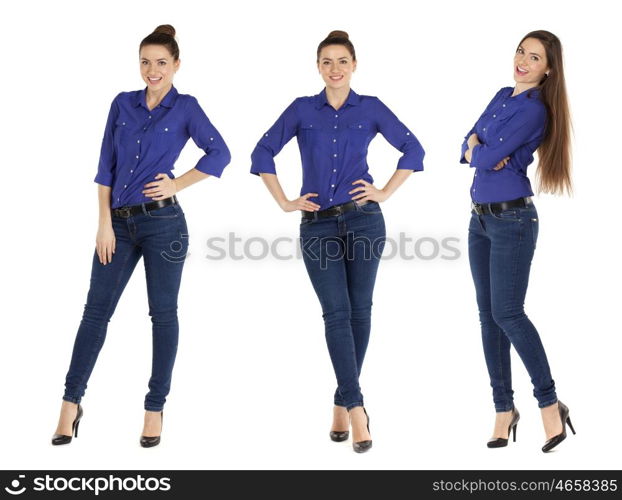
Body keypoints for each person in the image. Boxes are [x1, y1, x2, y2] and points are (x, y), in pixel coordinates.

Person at [52, 24, 230, 447]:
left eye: (161, 63)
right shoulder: (122, 104)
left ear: (176, 65)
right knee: (96, 313)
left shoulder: (186, 108)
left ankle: (154, 408)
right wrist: (102, 222)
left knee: (162, 315)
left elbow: (220, 152)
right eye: (146, 62)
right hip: (116, 224)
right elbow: (105, 167)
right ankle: (70, 404)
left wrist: (177, 183)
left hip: (164, 224)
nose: (152, 70)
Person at [250, 30, 424, 453]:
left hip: (365, 221)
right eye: (327, 61)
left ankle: (340, 402)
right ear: (318, 67)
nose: (334, 68)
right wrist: (286, 202)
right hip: (317, 226)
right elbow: (261, 153)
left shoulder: (371, 109)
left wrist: (383, 191)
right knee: (336, 313)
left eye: (342, 61)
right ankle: (358, 407)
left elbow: (413, 150)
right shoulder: (301, 110)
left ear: (354, 65)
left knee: (359, 312)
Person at [461, 30, 575, 452]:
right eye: (520, 51)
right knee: (488, 317)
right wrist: (478, 147)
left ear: (548, 69)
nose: (523, 60)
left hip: (513, 219)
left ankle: (549, 403)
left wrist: (481, 149)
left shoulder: (535, 110)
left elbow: (484, 155)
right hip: (479, 220)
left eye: (534, 57)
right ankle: (503, 410)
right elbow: (468, 142)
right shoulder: (500, 95)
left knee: (508, 313)